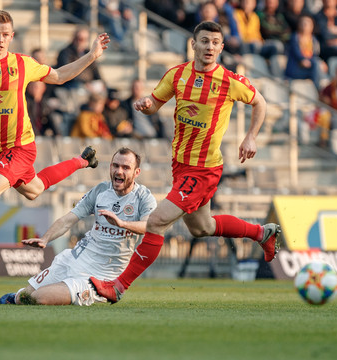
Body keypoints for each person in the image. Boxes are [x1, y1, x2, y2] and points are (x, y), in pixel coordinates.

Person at [89, 21, 282, 303]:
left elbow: (260, 102)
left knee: (155, 222)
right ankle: (261, 233)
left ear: (221, 47)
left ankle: (117, 287)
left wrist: (250, 137)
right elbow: (156, 102)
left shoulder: (229, 81)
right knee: (201, 227)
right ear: (194, 44)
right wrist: (146, 105)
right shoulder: (177, 75)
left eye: (215, 42)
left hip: (204, 170)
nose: (209, 47)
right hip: (180, 167)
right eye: (204, 41)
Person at [0, 10, 110, 281]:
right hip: (0, 150)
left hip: (21, 146)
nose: (0, 39)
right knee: (33, 190)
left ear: (12, 37)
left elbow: (58, 76)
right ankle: (83, 160)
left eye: (5, 35)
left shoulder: (22, 64)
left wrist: (91, 56)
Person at [0, 147, 157, 306]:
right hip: (74, 259)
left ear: (137, 172)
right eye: (115, 165)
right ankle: (19, 295)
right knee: (24, 298)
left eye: (126, 168)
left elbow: (149, 226)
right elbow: (68, 219)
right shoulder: (101, 190)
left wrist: (122, 224)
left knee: (39, 298)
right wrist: (45, 239)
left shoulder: (143, 197)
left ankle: (75, 292)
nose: (119, 171)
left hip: (102, 276)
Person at [285, 15, 325, 88]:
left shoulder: (314, 40)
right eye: (303, 23)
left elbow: (315, 54)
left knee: (318, 65)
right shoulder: (295, 38)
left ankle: (321, 89)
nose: (305, 26)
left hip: (309, 67)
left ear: (312, 26)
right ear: (299, 25)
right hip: (295, 69)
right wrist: (303, 59)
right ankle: (318, 89)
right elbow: (297, 53)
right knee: (316, 65)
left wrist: (320, 62)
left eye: (307, 24)